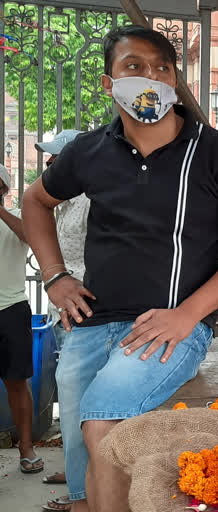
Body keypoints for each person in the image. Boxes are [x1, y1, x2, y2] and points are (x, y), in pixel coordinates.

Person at [22, 25, 218, 512]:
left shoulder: (215, 152)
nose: (150, 78)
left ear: (176, 81)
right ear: (108, 82)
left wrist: (187, 316)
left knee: (101, 420)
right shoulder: (90, 151)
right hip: (92, 321)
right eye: (134, 66)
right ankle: (85, 502)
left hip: (172, 327)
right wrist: (55, 275)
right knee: (76, 425)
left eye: (162, 68)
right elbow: (35, 201)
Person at [34, 129, 85, 510]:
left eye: (55, 158)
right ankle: (76, 473)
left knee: (79, 403)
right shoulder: (63, 204)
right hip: (64, 315)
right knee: (72, 402)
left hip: (82, 314)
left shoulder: (88, 204)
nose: (48, 164)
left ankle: (84, 492)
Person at [0, 165, 44, 475]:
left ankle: (26, 448)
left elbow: (31, 236)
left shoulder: (15, 215)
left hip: (11, 309)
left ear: (3, 189)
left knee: (17, 382)